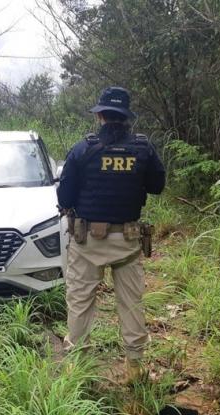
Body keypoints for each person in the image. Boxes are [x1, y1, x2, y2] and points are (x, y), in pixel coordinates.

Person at [57, 86, 166, 381]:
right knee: (131, 303)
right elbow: (157, 186)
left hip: (87, 241)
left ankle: (77, 368)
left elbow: (64, 196)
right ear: (126, 118)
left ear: (101, 115)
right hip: (128, 242)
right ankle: (135, 367)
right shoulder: (143, 148)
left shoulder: (82, 149)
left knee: (80, 301)